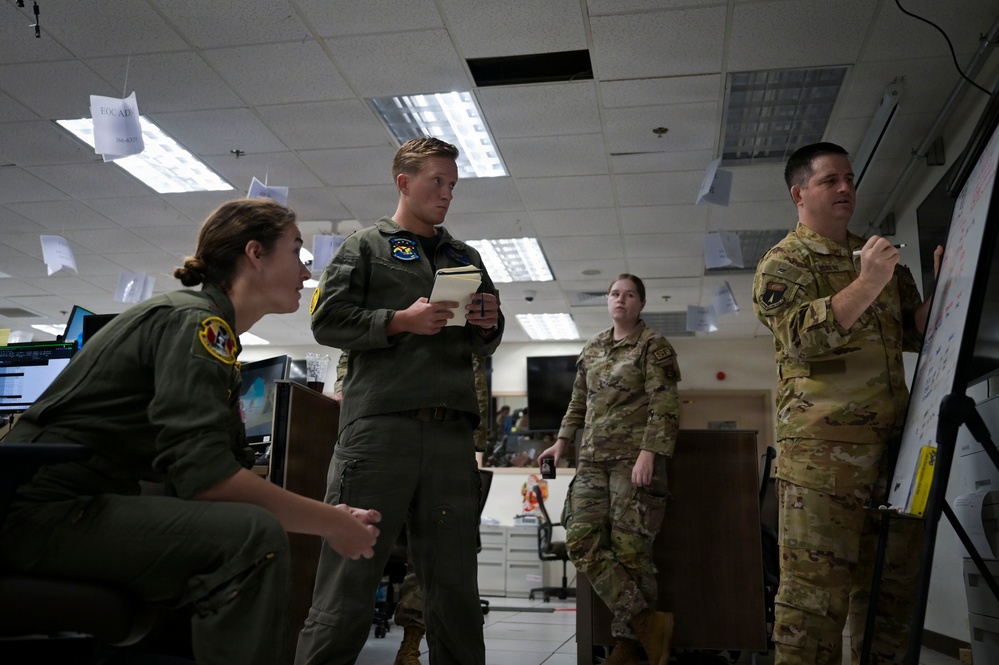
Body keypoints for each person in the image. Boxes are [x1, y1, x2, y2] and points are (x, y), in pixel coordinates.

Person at [0, 199, 381, 665]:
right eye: (296, 251)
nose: (306, 272)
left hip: (60, 507)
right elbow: (209, 480)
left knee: (241, 530)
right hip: (36, 514)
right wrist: (330, 523)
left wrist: (328, 517)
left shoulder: (210, 330)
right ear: (255, 253)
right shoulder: (195, 323)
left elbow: (219, 472)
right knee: (251, 538)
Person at [297, 136, 503, 665]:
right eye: (437, 181)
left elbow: (487, 336)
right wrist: (398, 321)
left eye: (452, 184)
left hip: (450, 433)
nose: (447, 193)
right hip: (380, 430)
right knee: (349, 577)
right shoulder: (365, 247)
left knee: (454, 586)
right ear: (404, 183)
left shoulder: (465, 257)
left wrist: (488, 322)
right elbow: (326, 320)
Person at [752, 142, 942, 665]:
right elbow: (799, 339)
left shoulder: (874, 255)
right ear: (799, 194)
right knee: (814, 601)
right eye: (830, 180)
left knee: (890, 594)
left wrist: (946, 286)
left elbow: (914, 332)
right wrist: (868, 282)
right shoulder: (784, 261)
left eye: (850, 179)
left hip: (894, 451)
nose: (845, 188)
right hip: (822, 457)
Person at [537, 273, 680, 665]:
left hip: (632, 462)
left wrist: (650, 453)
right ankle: (645, 621)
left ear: (641, 303)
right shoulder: (594, 347)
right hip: (591, 460)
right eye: (615, 294)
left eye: (629, 295)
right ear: (607, 301)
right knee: (580, 540)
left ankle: (628, 644)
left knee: (631, 550)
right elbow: (578, 401)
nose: (621, 300)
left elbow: (665, 405)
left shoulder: (653, 345)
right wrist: (562, 442)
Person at [329, 351, 491, 665]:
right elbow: (350, 347)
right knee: (351, 570)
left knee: (438, 564)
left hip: (452, 431)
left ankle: (410, 645)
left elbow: (476, 359)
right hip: (382, 428)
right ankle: (405, 645)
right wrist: (345, 388)